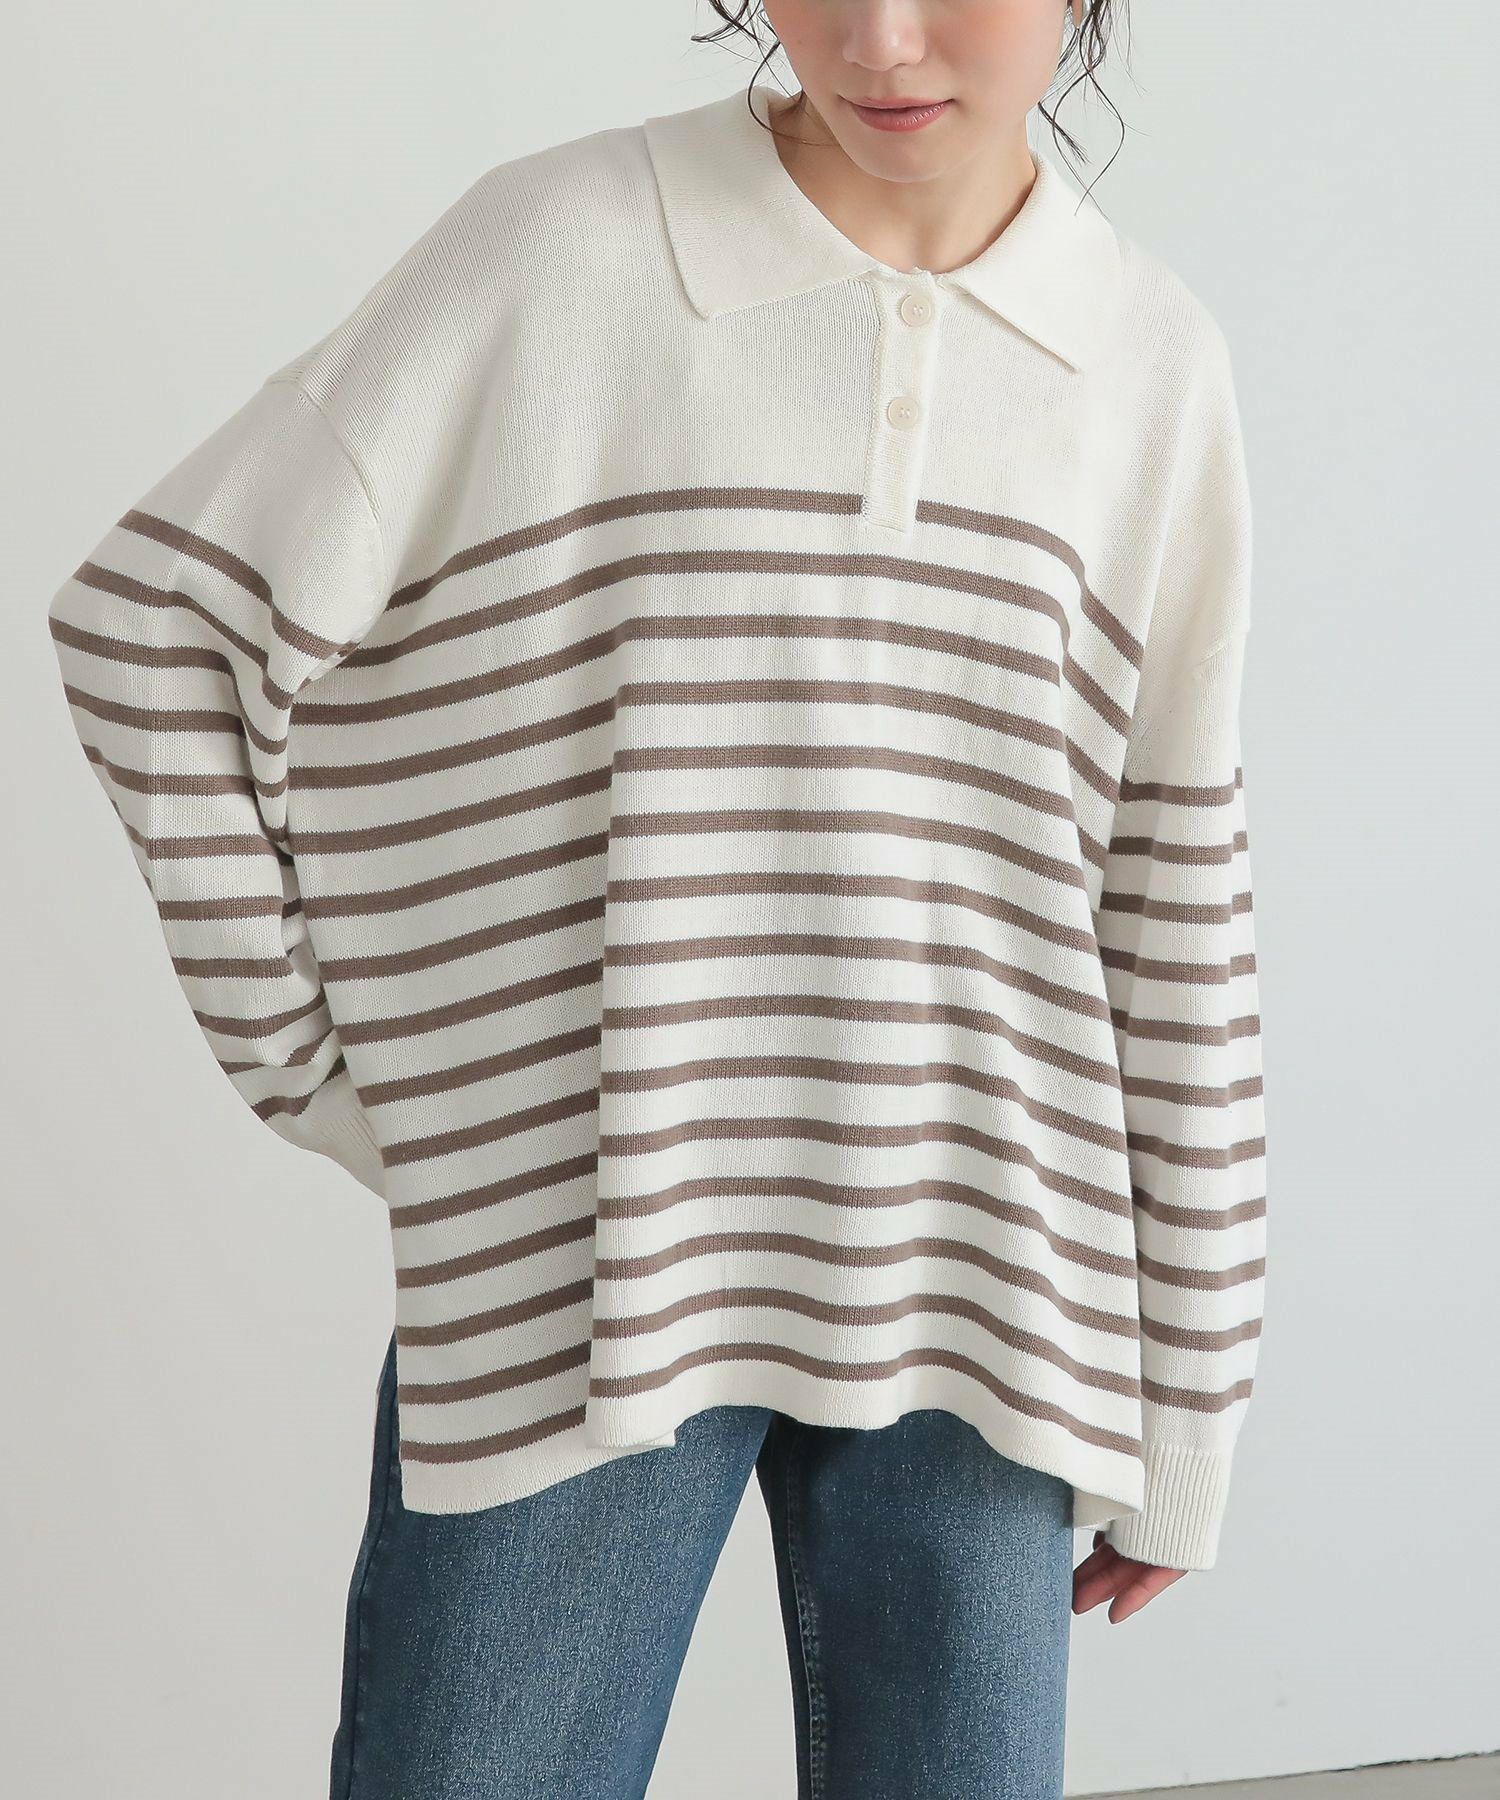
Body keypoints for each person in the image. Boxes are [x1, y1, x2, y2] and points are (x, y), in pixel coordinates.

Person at [44, 3, 1268, 1795]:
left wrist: (1194, 1402)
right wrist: (313, 1064)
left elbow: (1176, 893)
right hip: (588, 1250)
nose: (881, 37)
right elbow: (155, 626)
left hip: (991, 1269)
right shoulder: (568, 250)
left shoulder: (1144, 357)